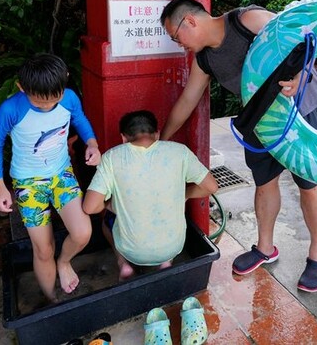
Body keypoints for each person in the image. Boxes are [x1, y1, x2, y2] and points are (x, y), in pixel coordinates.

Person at [159, 0, 317, 292]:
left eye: (176, 37)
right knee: (264, 183)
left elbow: (306, 37)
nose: (179, 45)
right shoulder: (204, 60)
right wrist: (162, 141)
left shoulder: (246, 21)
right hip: (260, 120)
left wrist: (301, 75)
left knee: (309, 183)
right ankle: (265, 248)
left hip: (302, 110)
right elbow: (187, 100)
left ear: (189, 21)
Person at [0, 53, 102, 302]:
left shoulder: (69, 98)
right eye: (39, 102)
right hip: (27, 183)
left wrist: (92, 143)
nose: (47, 106)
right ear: (21, 87)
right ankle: (50, 300)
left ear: (65, 80)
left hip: (62, 175)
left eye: (54, 100)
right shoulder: (11, 108)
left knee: (82, 233)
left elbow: (79, 118)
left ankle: (64, 262)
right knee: (43, 249)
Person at [83, 110, 218, 280]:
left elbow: (90, 207)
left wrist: (112, 205)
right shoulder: (180, 151)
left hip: (132, 251)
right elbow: (212, 187)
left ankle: (123, 264)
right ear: (157, 134)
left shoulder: (111, 157)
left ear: (123, 138)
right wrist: (185, 194)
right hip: (172, 247)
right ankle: (166, 262)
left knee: (107, 222)